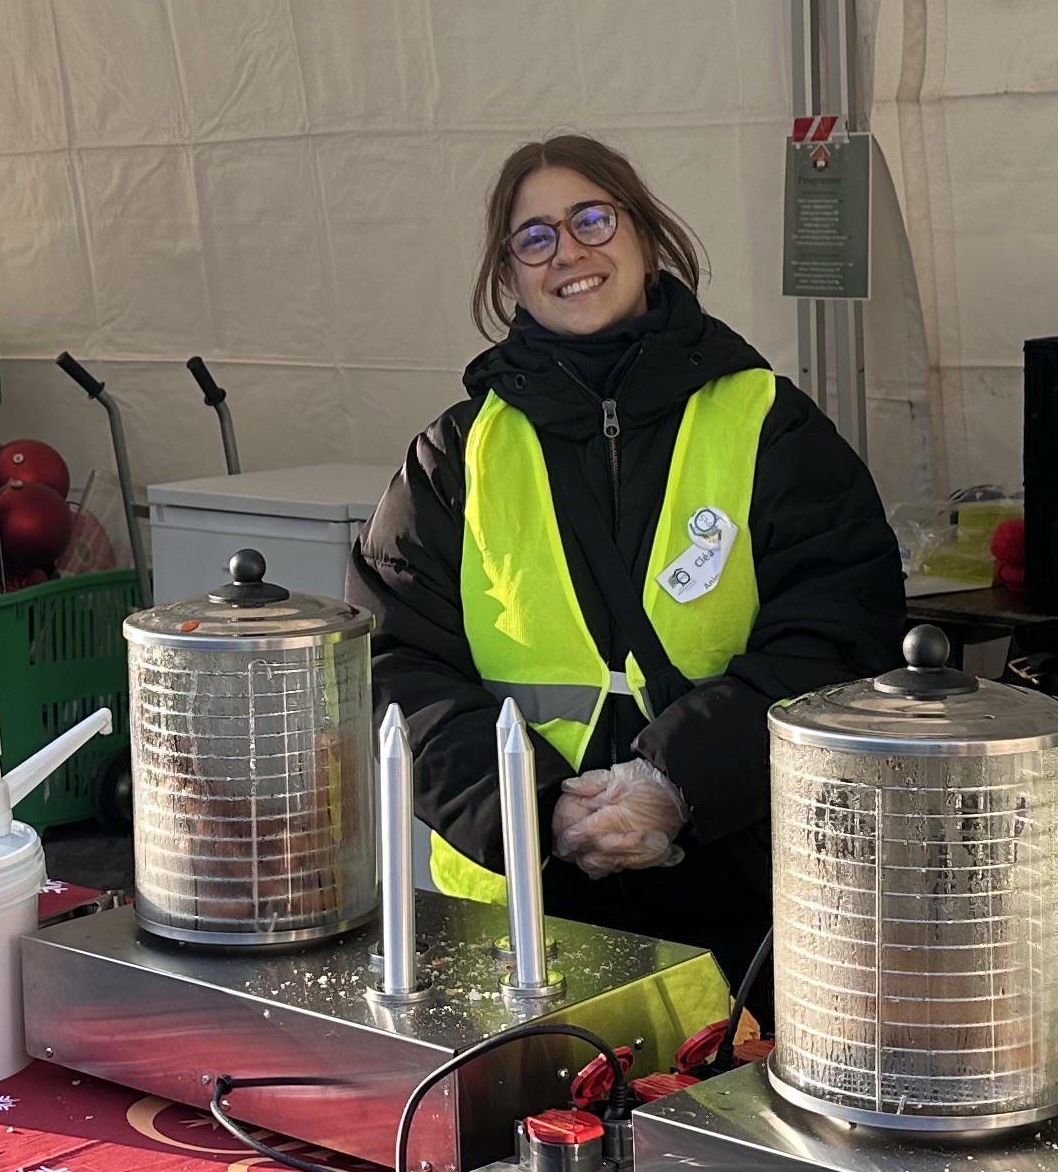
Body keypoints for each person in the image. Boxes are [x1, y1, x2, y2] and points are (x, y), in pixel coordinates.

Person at [355, 134, 904, 995]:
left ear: (644, 234)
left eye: (592, 219)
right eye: (534, 237)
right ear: (509, 274)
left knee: (728, 1083)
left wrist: (676, 780)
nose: (567, 252)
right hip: (520, 911)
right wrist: (533, 810)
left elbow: (840, 636)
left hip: (742, 903)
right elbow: (395, 664)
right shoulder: (454, 458)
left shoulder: (772, 426)